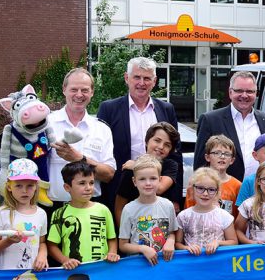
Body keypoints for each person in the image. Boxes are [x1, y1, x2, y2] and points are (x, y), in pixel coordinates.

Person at [97, 57, 179, 208]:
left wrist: (175, 198)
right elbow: (101, 152)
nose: (142, 83)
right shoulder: (108, 109)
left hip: (157, 192)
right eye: (137, 77)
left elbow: (174, 153)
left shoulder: (167, 109)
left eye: (147, 78)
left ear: (154, 81)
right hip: (119, 192)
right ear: (127, 78)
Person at [46, 68, 116, 213]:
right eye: (74, 89)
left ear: (92, 92)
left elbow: (108, 175)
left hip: (91, 208)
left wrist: (79, 158)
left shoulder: (101, 129)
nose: (79, 95)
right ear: (64, 89)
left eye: (84, 90)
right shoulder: (46, 124)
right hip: (51, 208)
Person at [194, 71, 265, 179]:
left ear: (256, 94)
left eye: (249, 91)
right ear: (230, 93)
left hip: (261, 189)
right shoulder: (210, 120)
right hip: (224, 190)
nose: (244, 95)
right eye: (239, 91)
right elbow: (200, 164)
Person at [114, 122, 180, 226]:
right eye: (157, 140)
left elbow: (159, 189)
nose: (161, 146)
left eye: (167, 145)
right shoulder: (129, 171)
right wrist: (124, 235)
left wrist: (137, 167)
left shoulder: (170, 165)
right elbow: (119, 207)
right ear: (147, 141)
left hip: (161, 227)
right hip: (135, 227)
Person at [189, 135, 241, 214]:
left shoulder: (237, 185)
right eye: (217, 153)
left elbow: (237, 216)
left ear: (232, 160)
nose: (222, 157)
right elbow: (189, 212)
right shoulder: (196, 182)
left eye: (227, 154)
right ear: (207, 157)